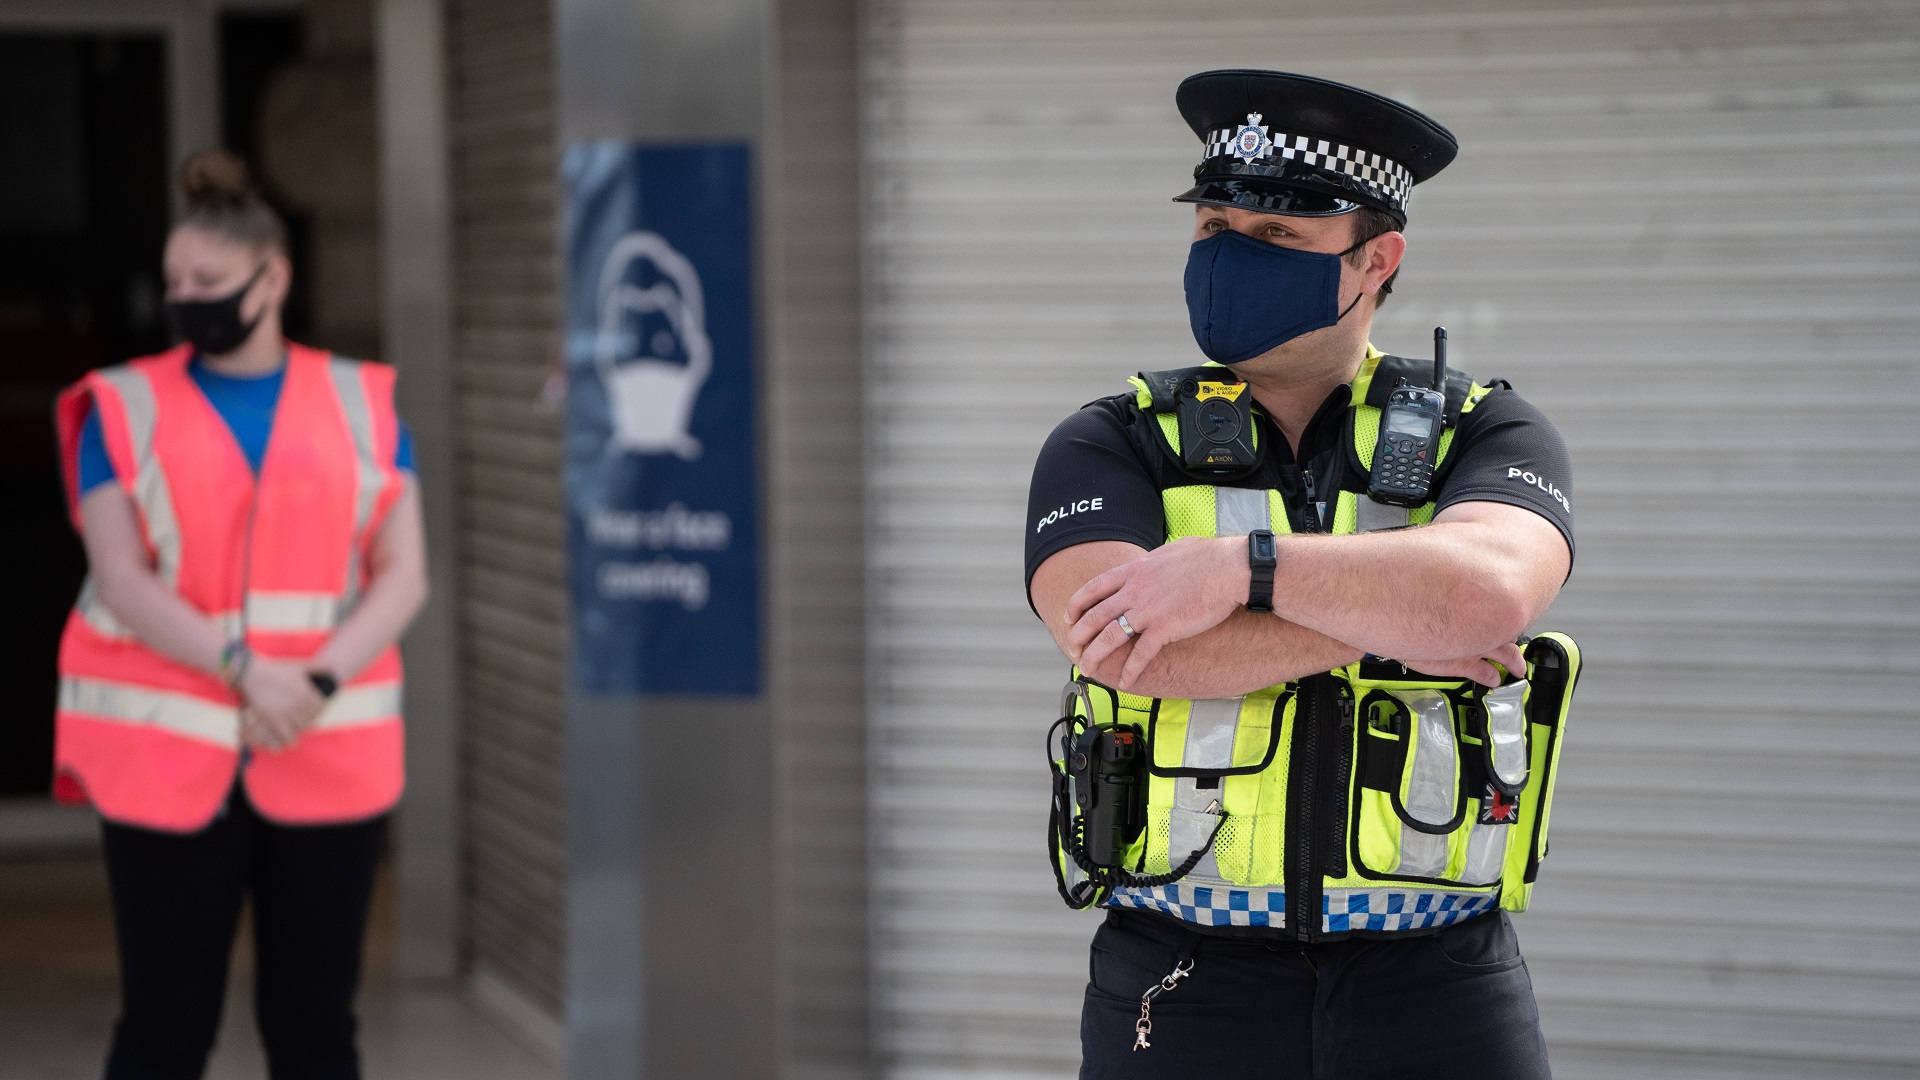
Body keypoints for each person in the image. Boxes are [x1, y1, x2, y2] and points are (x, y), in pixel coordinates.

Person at [1026, 71, 1580, 1079]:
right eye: (1212, 227)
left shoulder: (1484, 430)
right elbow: (1120, 647)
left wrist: (1237, 571)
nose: (1231, 254)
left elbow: (1490, 593)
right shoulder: (1111, 440)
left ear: (1377, 259)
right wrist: (1395, 624)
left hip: (1440, 982)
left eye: (1277, 236)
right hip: (1184, 977)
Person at [51, 149, 427, 1080]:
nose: (187, 297)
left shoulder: (363, 404)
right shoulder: (123, 405)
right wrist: (243, 669)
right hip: (167, 758)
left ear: (274, 279)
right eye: (176, 281)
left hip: (325, 744)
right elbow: (123, 577)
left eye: (208, 281)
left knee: (314, 1030)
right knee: (166, 1029)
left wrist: (317, 679)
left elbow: (404, 573)